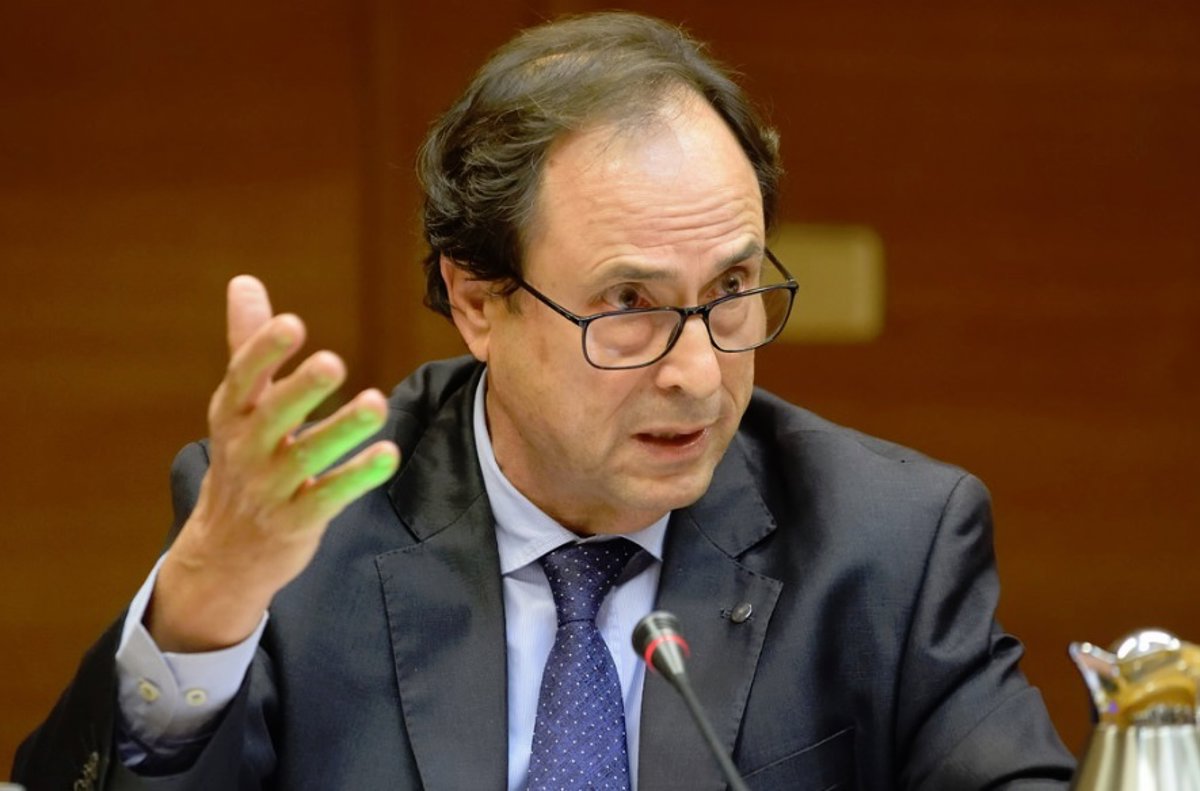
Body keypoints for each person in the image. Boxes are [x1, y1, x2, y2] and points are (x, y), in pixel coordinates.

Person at [14, 11, 1075, 790]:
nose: (699, 374)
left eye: (731, 289)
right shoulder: (304, 537)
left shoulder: (886, 543)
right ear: (479, 302)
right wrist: (202, 611)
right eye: (629, 305)